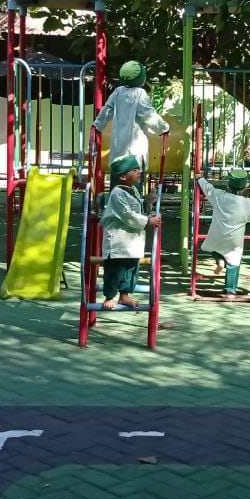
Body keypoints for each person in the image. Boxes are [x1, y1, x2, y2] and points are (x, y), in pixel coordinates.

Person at [197, 169, 250, 300]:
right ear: (245, 186)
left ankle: (220, 260)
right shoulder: (246, 203)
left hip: (217, 235)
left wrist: (199, 179)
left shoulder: (219, 195)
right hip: (234, 240)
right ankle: (230, 291)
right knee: (234, 262)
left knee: (213, 247)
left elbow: (207, 189)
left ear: (228, 184)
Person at [100, 154, 161, 311]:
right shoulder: (117, 193)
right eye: (134, 170)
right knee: (114, 269)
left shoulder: (132, 190)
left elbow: (137, 208)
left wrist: (147, 202)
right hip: (118, 240)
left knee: (130, 270)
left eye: (138, 169)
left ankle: (124, 295)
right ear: (123, 176)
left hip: (131, 242)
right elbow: (128, 215)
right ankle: (109, 296)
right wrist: (148, 221)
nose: (139, 172)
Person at [92, 60, 170, 172]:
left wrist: (97, 125)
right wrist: (163, 128)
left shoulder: (117, 92)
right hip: (135, 153)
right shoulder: (140, 94)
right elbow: (148, 114)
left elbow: (107, 110)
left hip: (118, 152)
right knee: (134, 180)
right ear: (140, 79)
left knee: (118, 178)